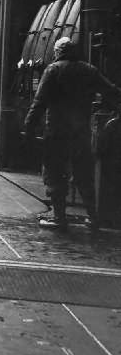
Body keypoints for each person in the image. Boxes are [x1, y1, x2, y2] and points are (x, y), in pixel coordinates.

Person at [22, 37, 121, 230]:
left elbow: (39, 102)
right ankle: (93, 218)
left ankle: (59, 218)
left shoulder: (53, 69)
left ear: (58, 51)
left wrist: (29, 127)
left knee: (55, 173)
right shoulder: (89, 70)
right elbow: (111, 91)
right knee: (84, 174)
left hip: (56, 131)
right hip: (81, 131)